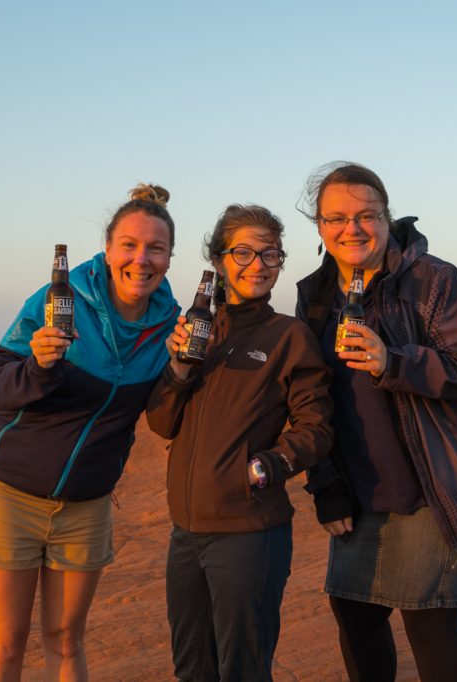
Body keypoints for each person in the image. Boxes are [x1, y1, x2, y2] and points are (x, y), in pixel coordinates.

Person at [295, 163, 457, 681]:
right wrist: (326, 486)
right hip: (359, 484)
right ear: (318, 226)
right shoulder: (314, 295)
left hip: (435, 482)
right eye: (337, 218)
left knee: (431, 623)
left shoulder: (431, 280)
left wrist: (393, 362)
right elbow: (312, 399)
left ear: (386, 218)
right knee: (355, 615)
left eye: (366, 216)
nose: (351, 229)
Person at [0, 184, 180, 680]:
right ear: (108, 249)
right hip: (8, 495)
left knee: (65, 641)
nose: (141, 259)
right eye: (129, 245)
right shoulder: (59, 299)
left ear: (169, 258)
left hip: (87, 504)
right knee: (6, 644)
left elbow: (165, 415)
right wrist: (38, 367)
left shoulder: (173, 328)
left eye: (155, 248)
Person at [145, 204, 333, 681]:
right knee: (192, 669)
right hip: (185, 534)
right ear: (220, 260)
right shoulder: (197, 331)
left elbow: (316, 426)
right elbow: (162, 423)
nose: (258, 265)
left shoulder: (288, 336)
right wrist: (182, 368)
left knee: (242, 671)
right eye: (244, 252)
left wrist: (266, 468)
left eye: (270, 254)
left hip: (249, 533)